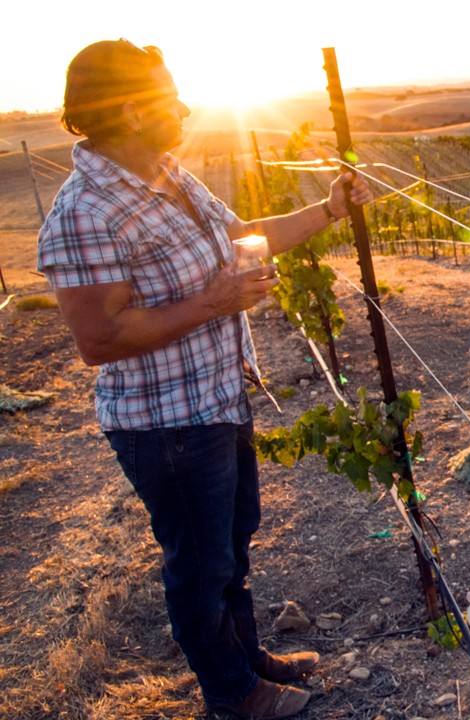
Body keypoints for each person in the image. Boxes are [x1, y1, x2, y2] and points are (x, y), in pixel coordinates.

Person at [36, 39, 373, 720]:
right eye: (165, 91)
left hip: (216, 397)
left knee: (232, 543)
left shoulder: (166, 174)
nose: (181, 104)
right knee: (198, 566)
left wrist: (330, 210)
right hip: (167, 425)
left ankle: (247, 659)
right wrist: (213, 304)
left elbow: (244, 235)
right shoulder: (84, 211)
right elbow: (99, 338)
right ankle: (231, 695)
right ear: (130, 108)